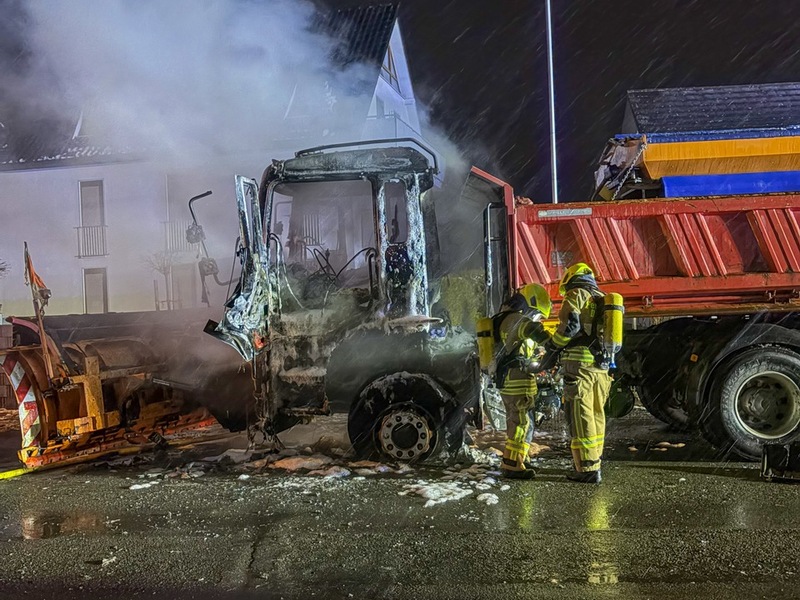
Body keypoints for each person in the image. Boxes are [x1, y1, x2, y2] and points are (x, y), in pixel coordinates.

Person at [541, 263, 612, 484]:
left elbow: (569, 326)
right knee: (597, 414)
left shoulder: (577, 293)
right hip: (601, 366)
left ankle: (587, 469)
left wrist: (553, 347)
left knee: (581, 415)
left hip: (580, 366)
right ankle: (594, 461)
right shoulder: (602, 298)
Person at [494, 283, 552, 480]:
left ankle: (519, 459)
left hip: (508, 380)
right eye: (537, 314)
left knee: (517, 421)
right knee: (521, 422)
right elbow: (535, 330)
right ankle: (512, 464)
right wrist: (555, 344)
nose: (536, 318)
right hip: (518, 380)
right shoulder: (518, 320)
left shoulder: (502, 318)